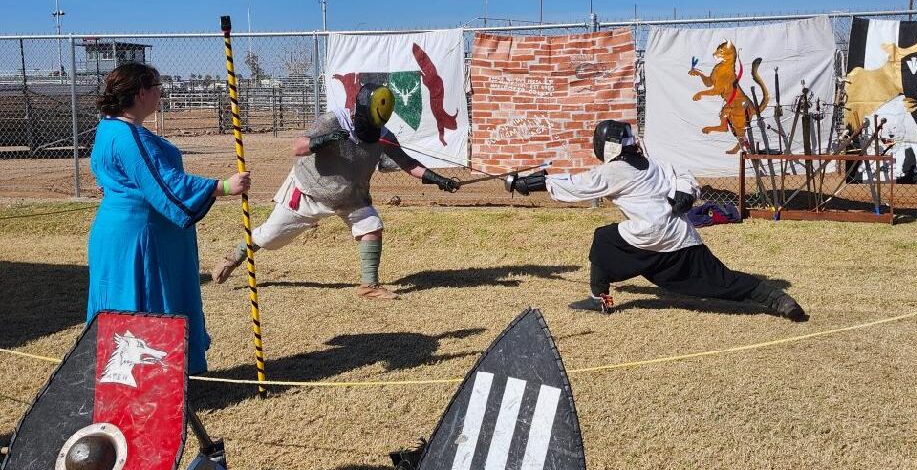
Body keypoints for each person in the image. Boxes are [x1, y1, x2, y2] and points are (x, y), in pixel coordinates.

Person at [507, 119, 809, 321]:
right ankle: (777, 299)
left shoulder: (614, 171)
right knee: (723, 280)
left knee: (604, 239)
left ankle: (600, 298)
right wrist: (684, 194)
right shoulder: (654, 164)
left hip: (647, 236)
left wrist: (528, 184)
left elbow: (576, 185)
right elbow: (684, 176)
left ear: (607, 146)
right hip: (681, 237)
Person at [211, 83, 460, 299]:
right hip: (308, 192)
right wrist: (325, 139)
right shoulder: (333, 121)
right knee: (270, 238)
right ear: (360, 112)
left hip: (351, 197)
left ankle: (369, 286)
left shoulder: (384, 135)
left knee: (371, 225)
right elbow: (297, 148)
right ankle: (235, 255)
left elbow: (408, 164)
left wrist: (438, 179)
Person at [87, 63, 250, 374]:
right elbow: (165, 183)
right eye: (157, 87)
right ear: (140, 93)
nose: (161, 93)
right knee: (143, 300)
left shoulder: (107, 128)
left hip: (126, 232)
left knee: (126, 299)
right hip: (141, 238)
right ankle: (148, 379)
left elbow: (115, 174)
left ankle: (136, 378)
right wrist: (223, 187)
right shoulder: (128, 135)